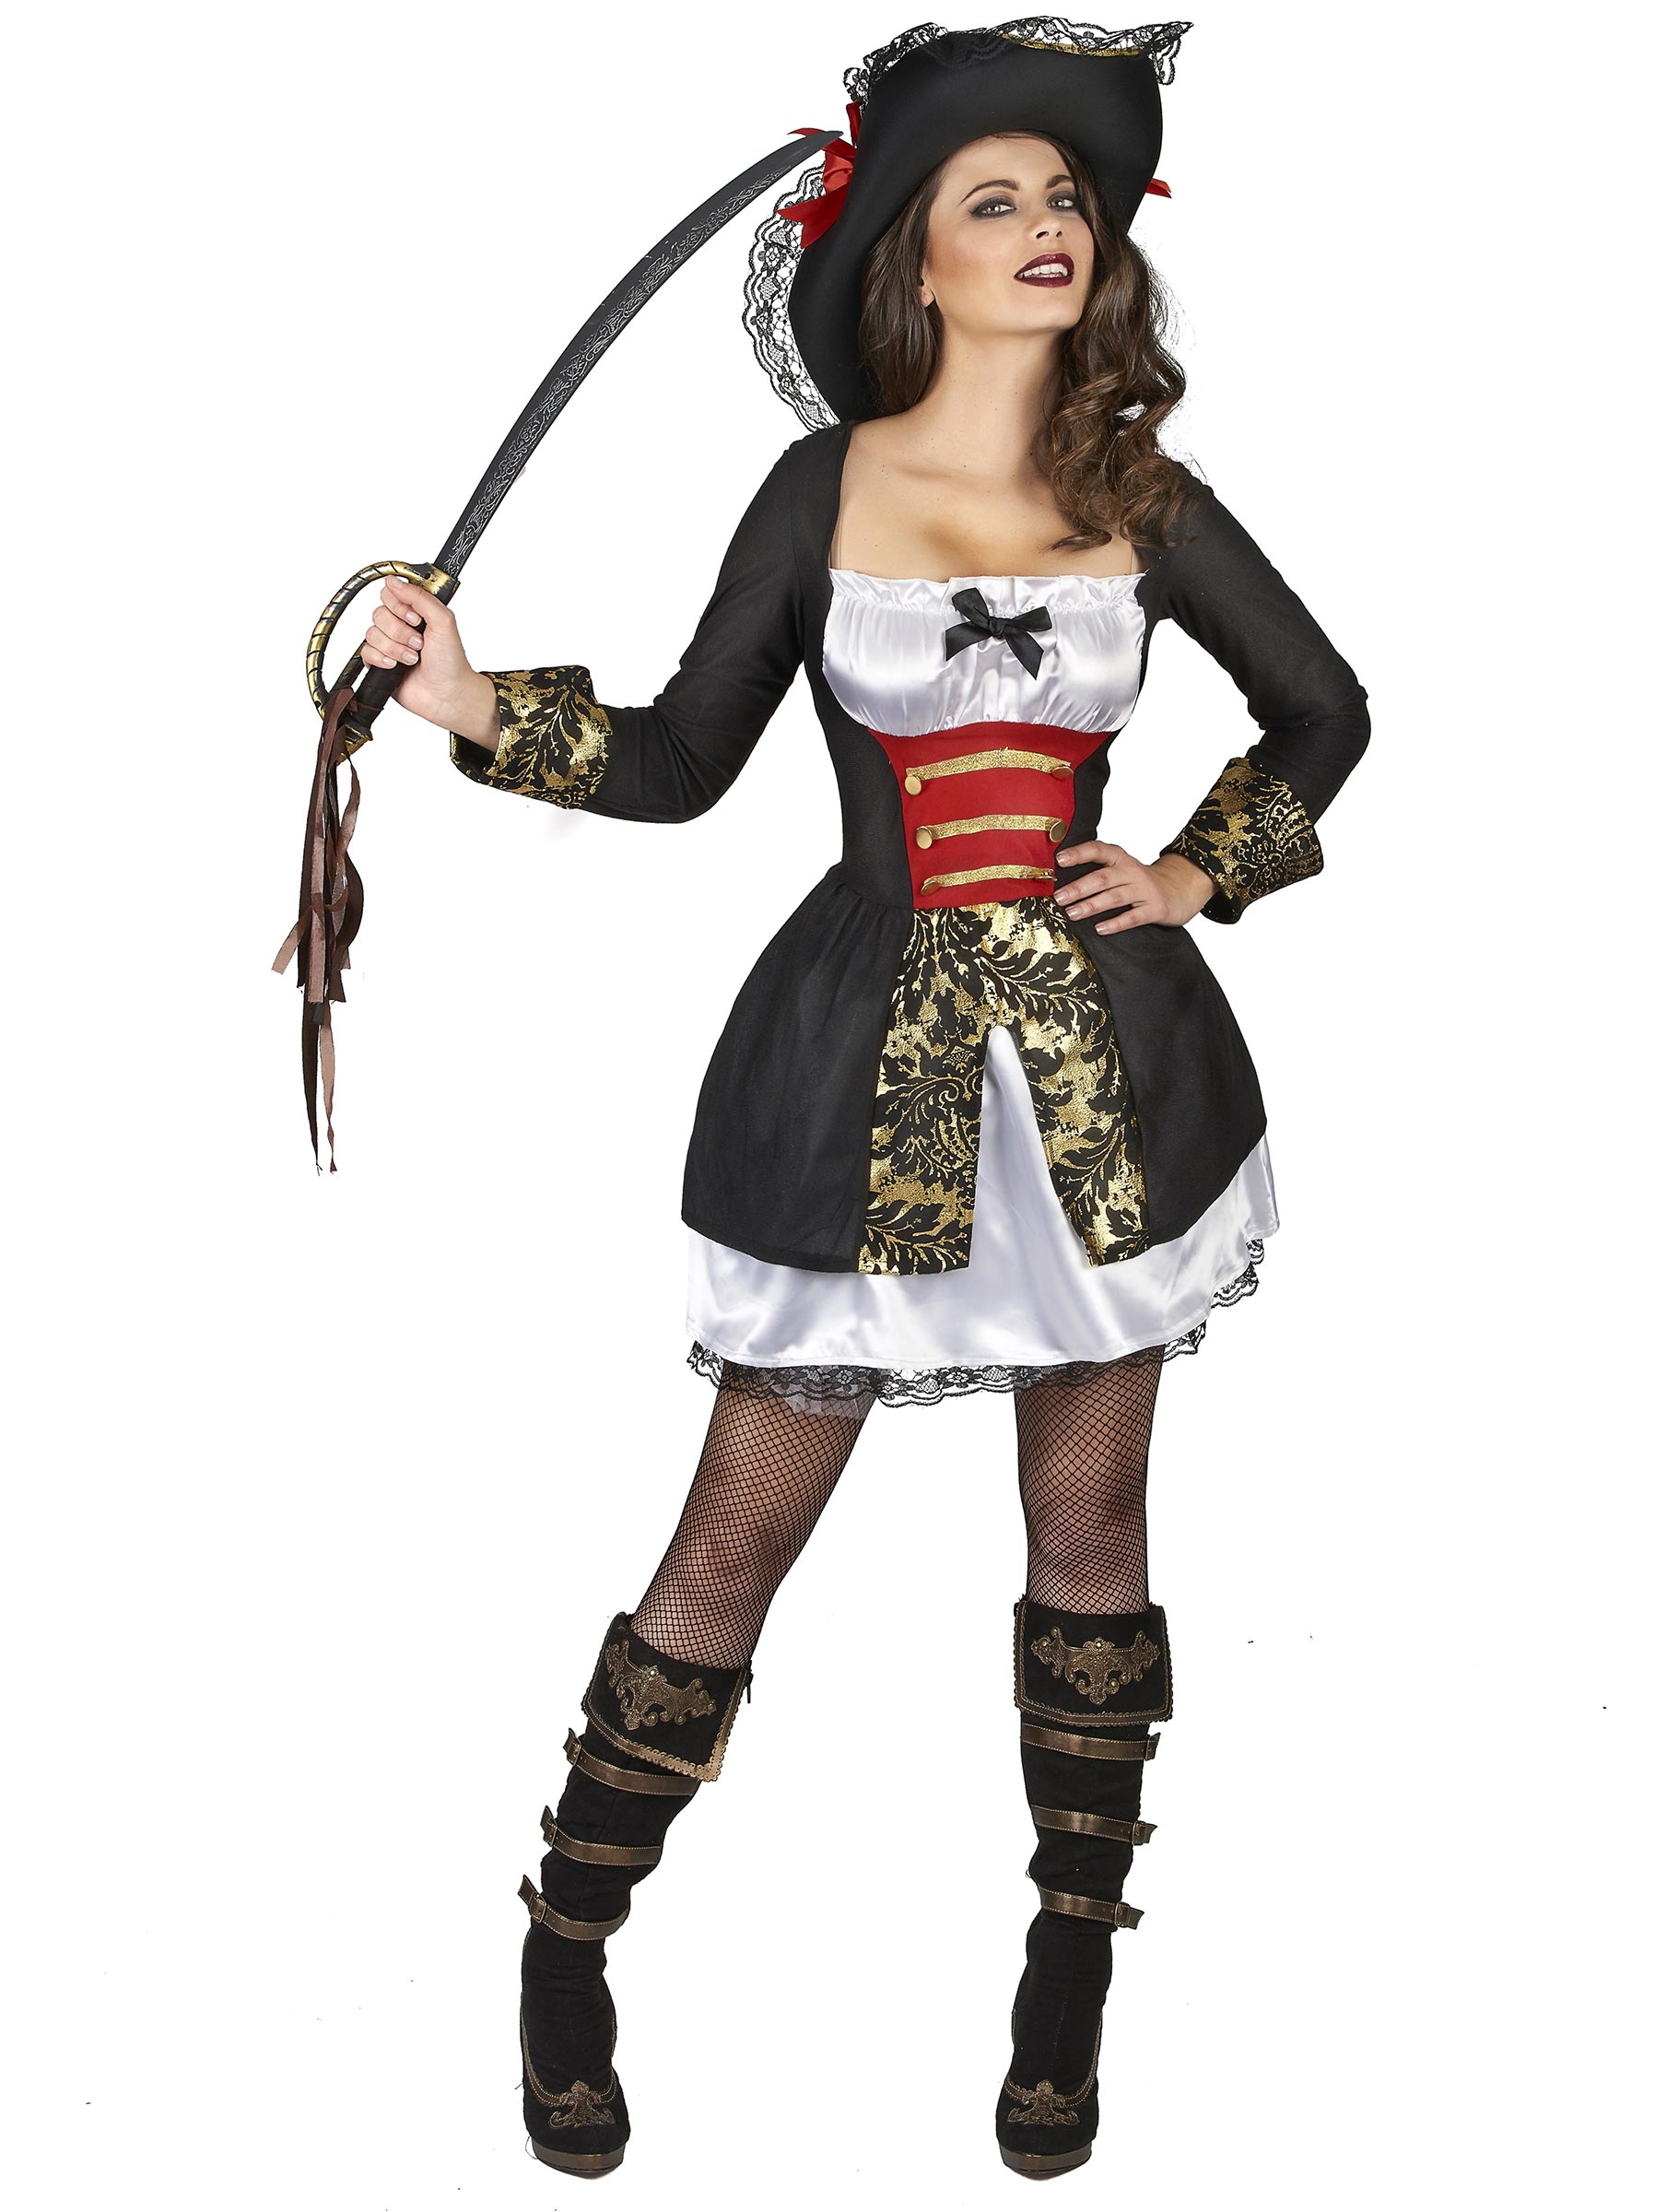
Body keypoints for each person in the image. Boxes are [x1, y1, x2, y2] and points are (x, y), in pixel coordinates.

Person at [358, 18, 1368, 2182]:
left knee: (1092, 1531)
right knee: (733, 1538)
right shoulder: (820, 492)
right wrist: (469, 703)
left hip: (1108, 1086)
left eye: (1066, 196)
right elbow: (680, 759)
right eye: (994, 197)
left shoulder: (1144, 498)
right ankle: (567, 1934)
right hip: (858, 1077)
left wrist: (1198, 869)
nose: (1046, 225)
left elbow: (1324, 709)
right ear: (910, 254)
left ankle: (1070, 1963)